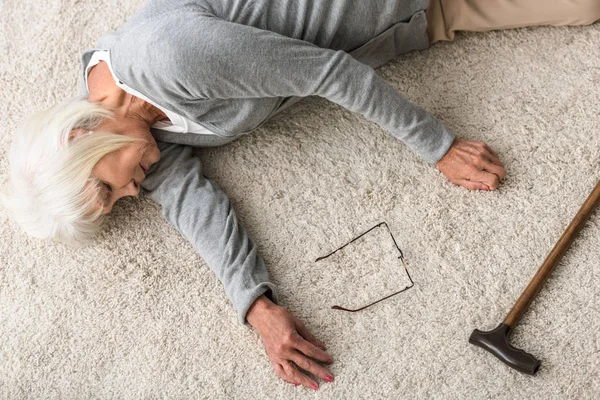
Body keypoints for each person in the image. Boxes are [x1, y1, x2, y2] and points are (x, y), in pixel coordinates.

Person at [2, 0, 598, 391]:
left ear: (83, 136)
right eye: (119, 202)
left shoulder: (169, 58)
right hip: (409, 27)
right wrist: (255, 305)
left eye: (113, 187)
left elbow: (331, 73)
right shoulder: (125, 124)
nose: (135, 192)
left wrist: (438, 146)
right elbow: (188, 201)